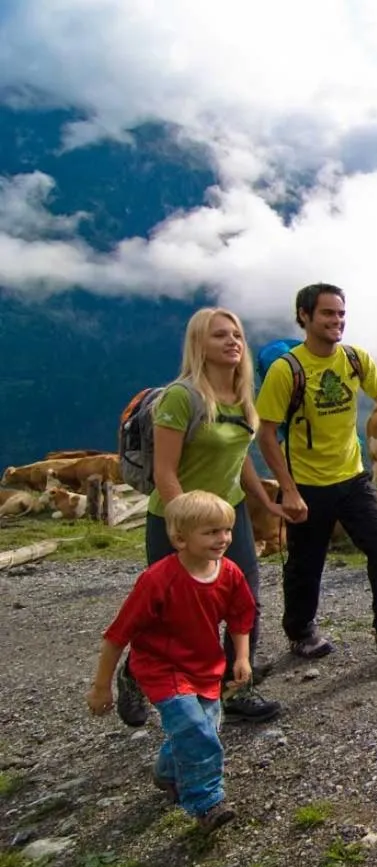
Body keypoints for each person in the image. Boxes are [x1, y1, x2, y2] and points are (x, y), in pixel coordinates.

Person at [116, 307, 284, 727]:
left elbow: (239, 457)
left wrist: (266, 499)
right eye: (219, 336)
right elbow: (165, 472)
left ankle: (235, 688)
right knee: (171, 614)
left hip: (229, 515)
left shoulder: (246, 398)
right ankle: (134, 675)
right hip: (176, 520)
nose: (232, 342)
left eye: (237, 335)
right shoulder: (181, 397)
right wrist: (185, 525)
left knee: (245, 601)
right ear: (199, 346)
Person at [255, 282, 377, 658]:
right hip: (305, 482)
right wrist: (288, 489)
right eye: (327, 313)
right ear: (304, 316)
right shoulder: (287, 371)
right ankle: (300, 633)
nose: (337, 321)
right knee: (306, 563)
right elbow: (267, 433)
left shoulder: (355, 359)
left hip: (352, 478)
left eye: (340, 313)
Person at [88, 491, 253, 834]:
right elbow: (118, 635)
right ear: (180, 538)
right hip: (164, 669)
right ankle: (207, 802)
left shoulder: (231, 574)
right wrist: (101, 686)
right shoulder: (157, 580)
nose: (222, 539)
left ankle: (167, 772)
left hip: (206, 667)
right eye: (210, 532)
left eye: (226, 530)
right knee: (195, 728)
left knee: (201, 729)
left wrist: (241, 657)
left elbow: (240, 617)